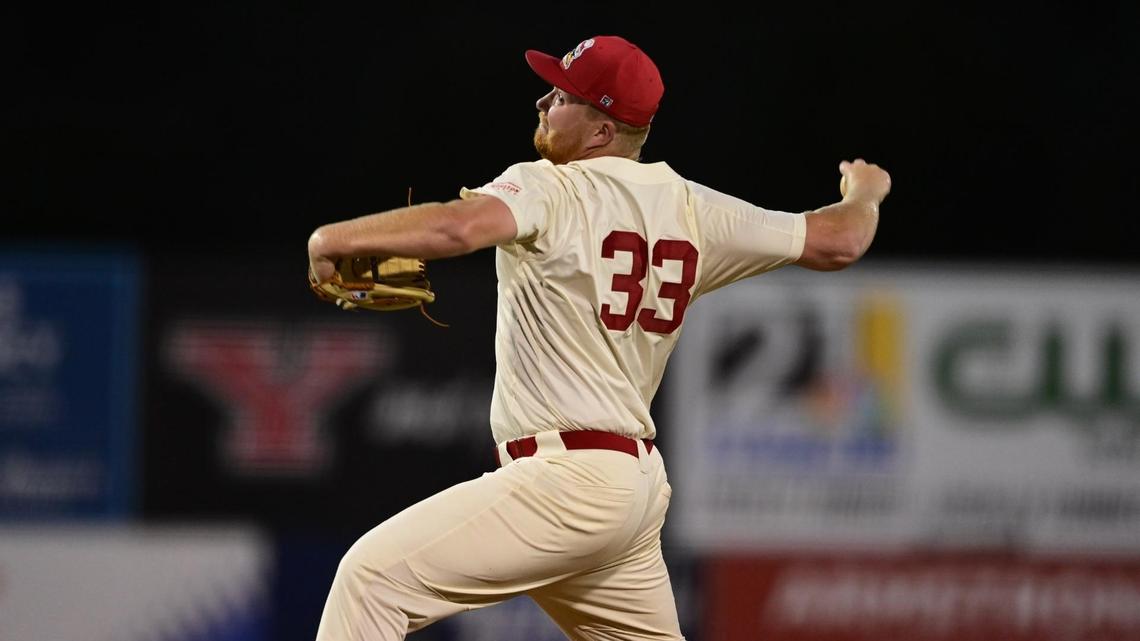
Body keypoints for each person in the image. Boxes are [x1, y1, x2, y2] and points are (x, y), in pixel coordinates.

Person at [307, 34, 890, 641]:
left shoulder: (551, 186)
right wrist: (865, 194)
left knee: (370, 581)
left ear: (602, 131)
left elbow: (459, 229)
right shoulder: (695, 210)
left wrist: (331, 240)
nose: (543, 102)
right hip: (629, 493)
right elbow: (839, 240)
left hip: (565, 484)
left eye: (562, 97)